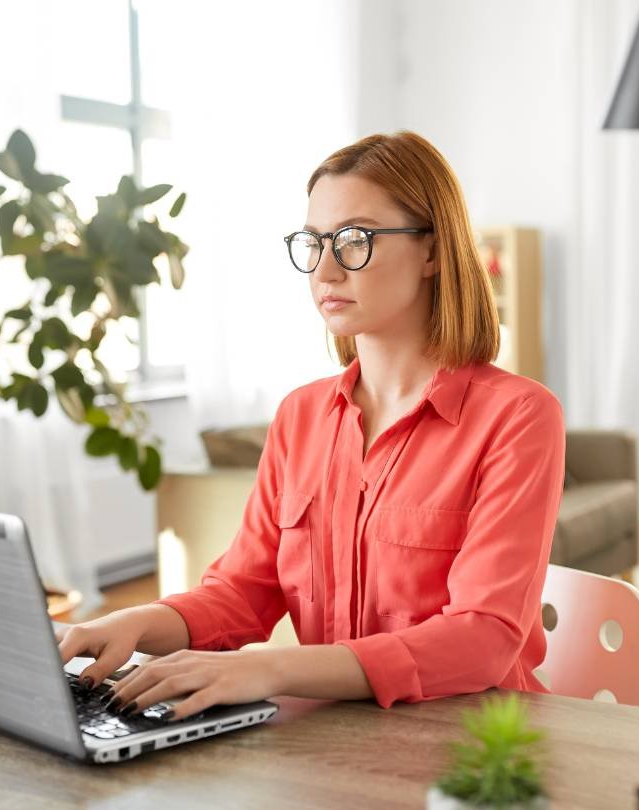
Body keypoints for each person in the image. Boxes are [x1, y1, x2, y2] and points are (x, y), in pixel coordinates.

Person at [56, 130, 566, 721]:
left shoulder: (518, 416)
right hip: (331, 734)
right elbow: (244, 591)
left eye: (354, 240)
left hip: (476, 741)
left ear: (432, 251)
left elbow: (483, 639)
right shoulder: (300, 415)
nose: (324, 269)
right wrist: (136, 622)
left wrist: (270, 668)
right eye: (313, 242)